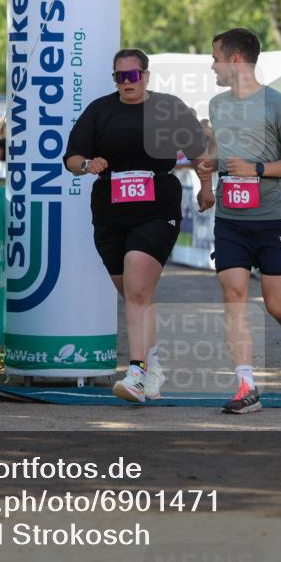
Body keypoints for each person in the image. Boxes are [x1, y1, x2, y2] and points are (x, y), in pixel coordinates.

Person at [64, 47, 205, 403]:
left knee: (139, 288)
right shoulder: (99, 109)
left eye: (132, 75)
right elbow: (72, 158)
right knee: (134, 294)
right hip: (110, 210)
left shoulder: (168, 107)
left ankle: (137, 373)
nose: (126, 82)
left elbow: (201, 153)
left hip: (157, 206)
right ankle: (154, 367)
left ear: (145, 75)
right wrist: (87, 166)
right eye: (119, 76)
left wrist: (208, 188)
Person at [194, 27, 281, 415]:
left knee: (277, 304)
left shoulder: (277, 104)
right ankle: (247, 386)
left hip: (272, 218)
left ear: (235, 60)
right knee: (233, 293)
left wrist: (258, 169)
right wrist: (206, 182)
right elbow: (217, 152)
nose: (211, 65)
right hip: (230, 218)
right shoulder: (217, 105)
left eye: (215, 57)